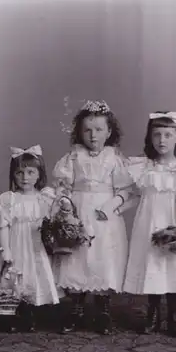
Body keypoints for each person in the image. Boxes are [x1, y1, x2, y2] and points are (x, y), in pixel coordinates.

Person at [123, 112, 176, 337]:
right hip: (149, 220)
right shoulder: (144, 167)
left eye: (168, 135)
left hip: (174, 219)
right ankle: (151, 313)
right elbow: (131, 194)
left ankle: (172, 317)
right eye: (157, 135)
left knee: (173, 266)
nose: (162, 140)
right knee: (153, 265)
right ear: (150, 138)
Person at [52, 100, 132, 334]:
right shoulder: (73, 157)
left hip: (104, 215)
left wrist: (111, 206)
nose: (93, 135)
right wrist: (65, 203)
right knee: (76, 257)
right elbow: (62, 186)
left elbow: (126, 190)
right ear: (79, 132)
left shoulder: (114, 158)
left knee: (102, 257)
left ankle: (102, 310)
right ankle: (76, 308)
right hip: (78, 210)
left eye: (98, 130)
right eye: (87, 130)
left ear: (109, 131)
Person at [0, 145, 59, 331]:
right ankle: (15, 314)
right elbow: (4, 226)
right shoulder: (9, 199)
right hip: (16, 242)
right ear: (13, 175)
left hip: (36, 243)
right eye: (19, 173)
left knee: (36, 274)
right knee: (14, 278)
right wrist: (6, 250)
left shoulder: (44, 198)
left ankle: (33, 312)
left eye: (30, 172)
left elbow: (52, 222)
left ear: (39, 174)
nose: (25, 177)